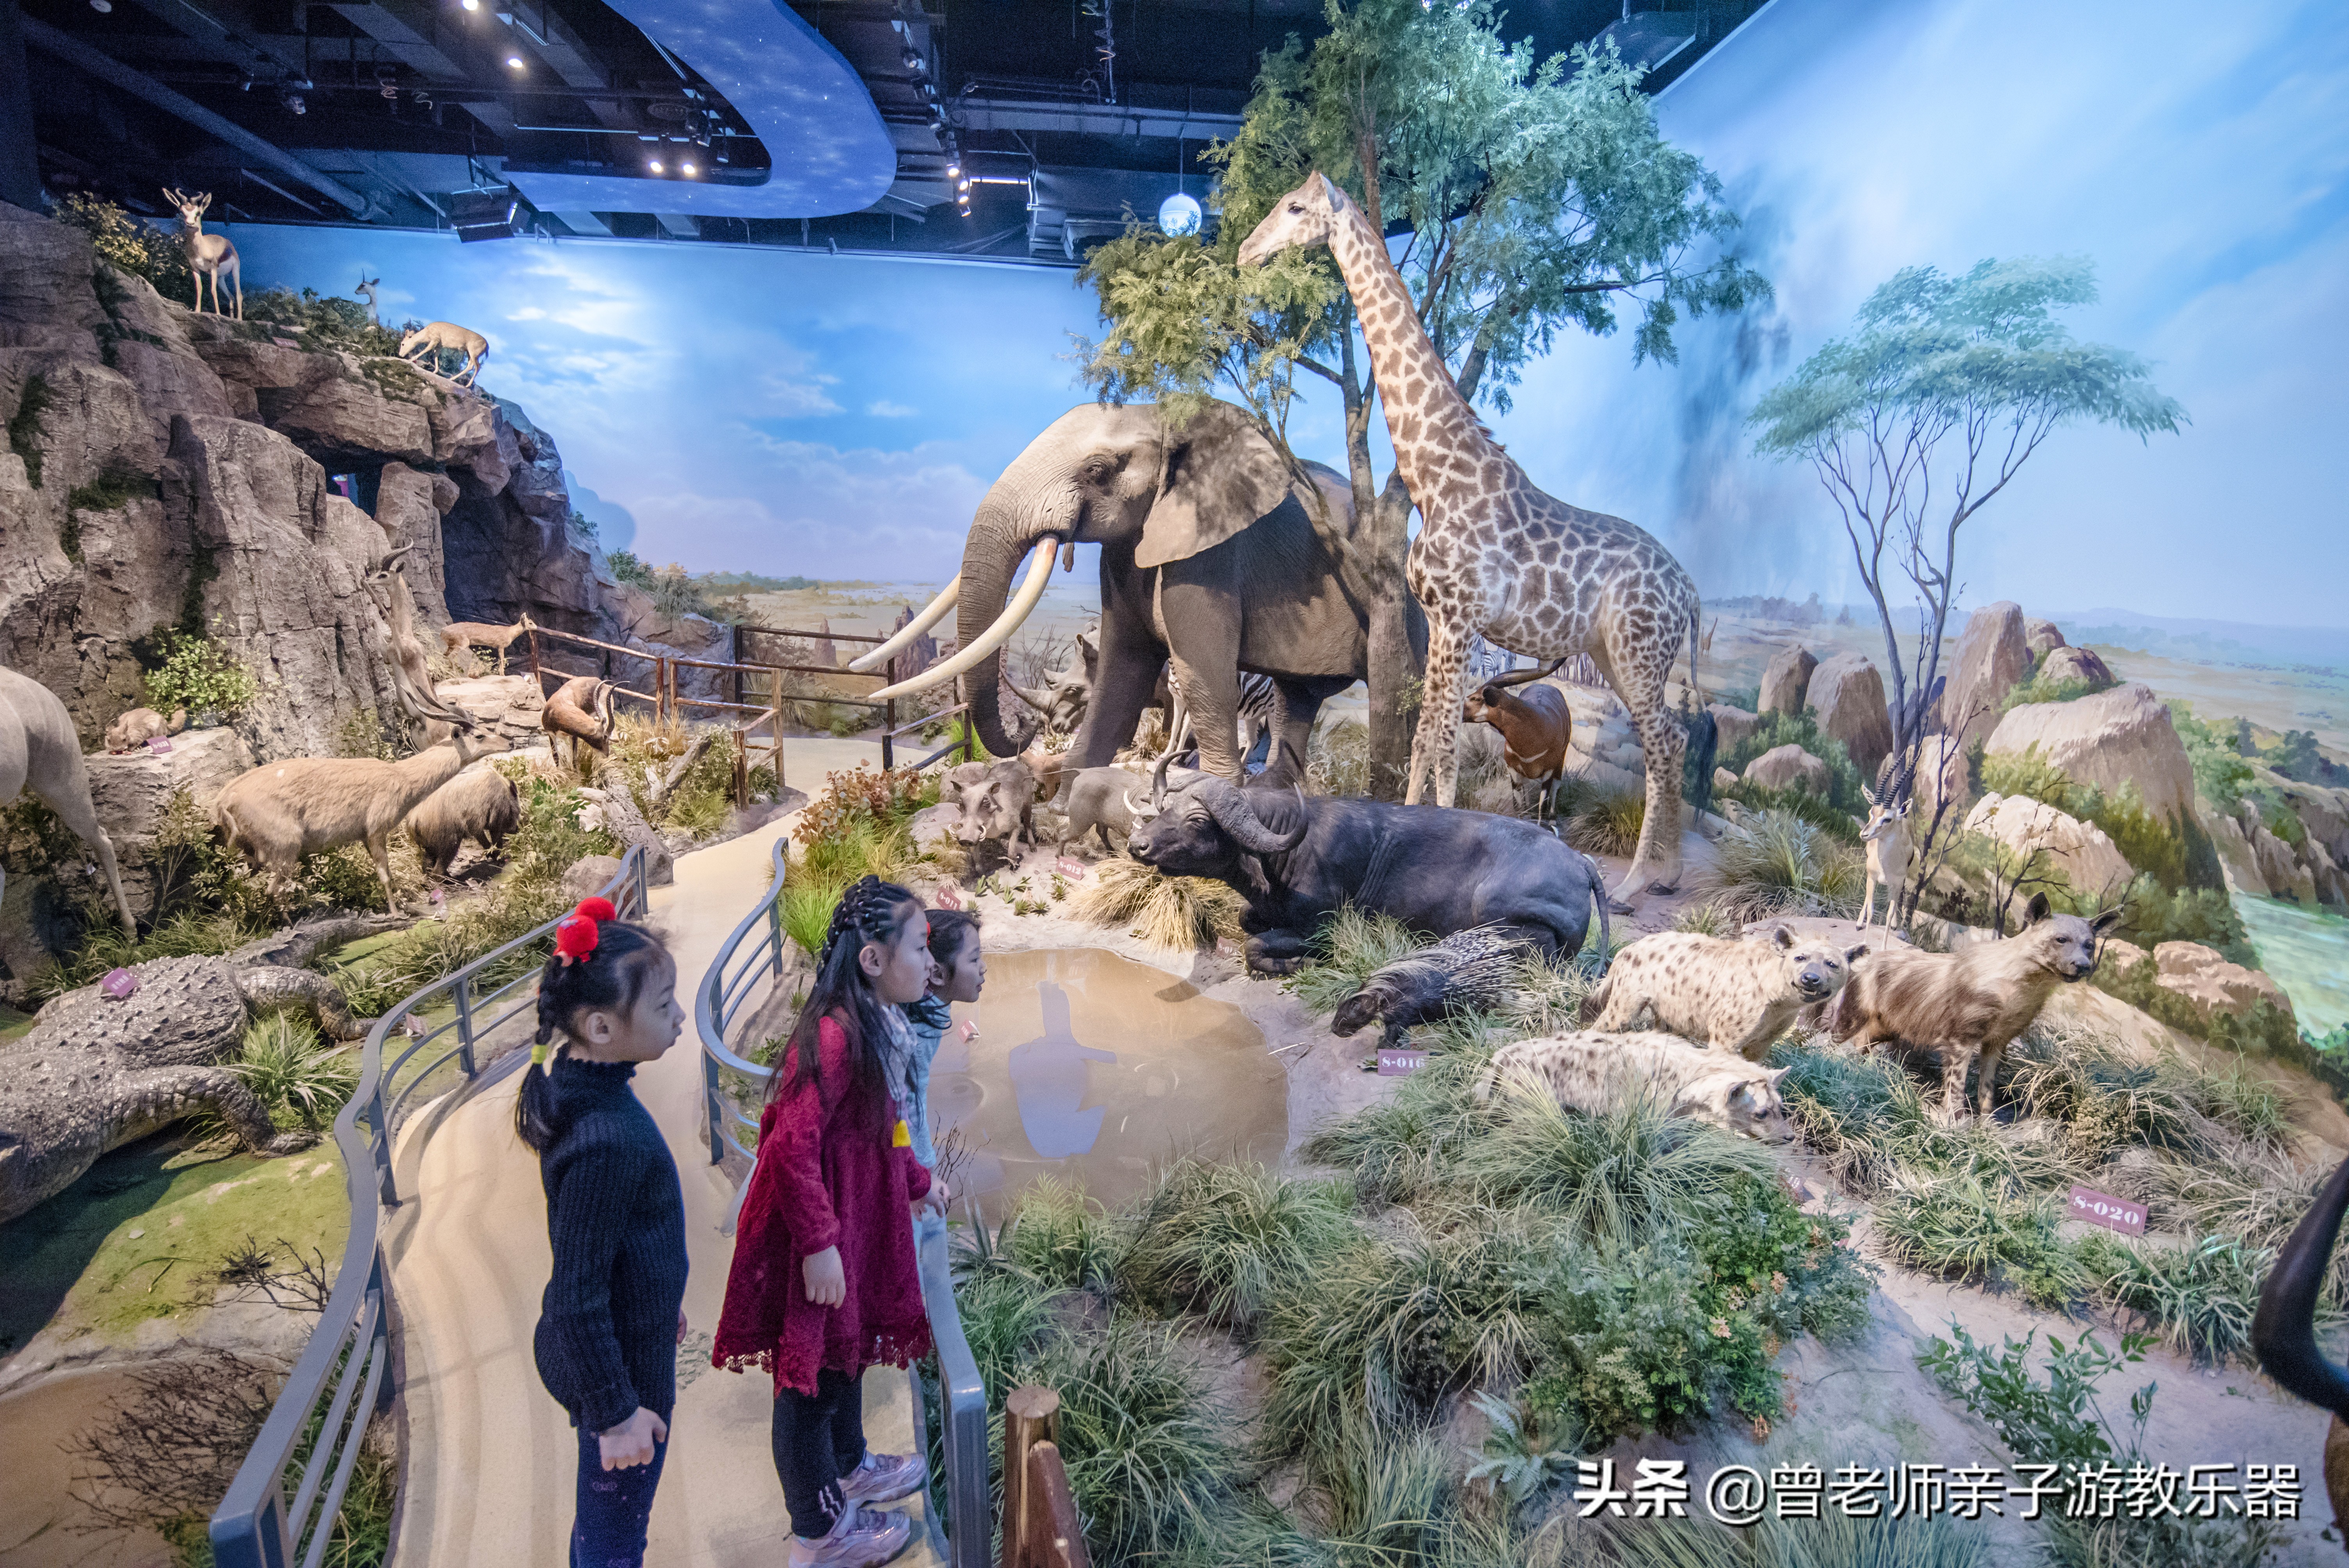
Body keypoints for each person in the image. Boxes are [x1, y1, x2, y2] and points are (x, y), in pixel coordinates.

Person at [714, 875, 945, 1568]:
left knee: (846, 1357)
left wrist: (915, 1180)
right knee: (808, 1380)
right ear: (872, 960)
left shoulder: (879, 1026)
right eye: (919, 947)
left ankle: (851, 1467)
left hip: (857, 1219)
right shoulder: (834, 1037)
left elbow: (890, 1126)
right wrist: (818, 1245)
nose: (930, 964)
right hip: (819, 1229)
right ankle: (818, 1532)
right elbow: (789, 1142)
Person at [515, 896, 688, 1568]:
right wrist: (617, 1414)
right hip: (617, 1376)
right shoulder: (605, 1138)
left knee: (606, 1530)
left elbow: (619, 1243)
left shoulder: (588, 1088)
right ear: (600, 1026)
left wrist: (656, 1300)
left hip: (623, 1344)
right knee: (612, 1540)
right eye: (665, 1004)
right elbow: (577, 1294)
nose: (678, 1016)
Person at [902, 907, 985, 1192]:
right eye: (974, 959)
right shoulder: (920, 1031)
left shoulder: (923, 1010)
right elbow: (911, 1106)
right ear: (937, 973)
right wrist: (925, 1173)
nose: (983, 968)